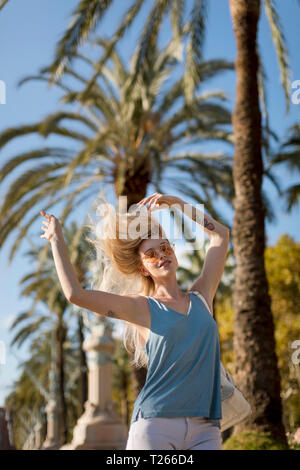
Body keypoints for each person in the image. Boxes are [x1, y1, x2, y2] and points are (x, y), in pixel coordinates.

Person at [40, 193, 230, 450]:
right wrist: (56, 240)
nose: (161, 255)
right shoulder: (141, 307)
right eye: (151, 254)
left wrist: (174, 203)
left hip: (206, 429)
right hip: (156, 425)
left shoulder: (202, 297)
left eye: (165, 247)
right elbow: (76, 294)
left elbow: (220, 235)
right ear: (143, 269)